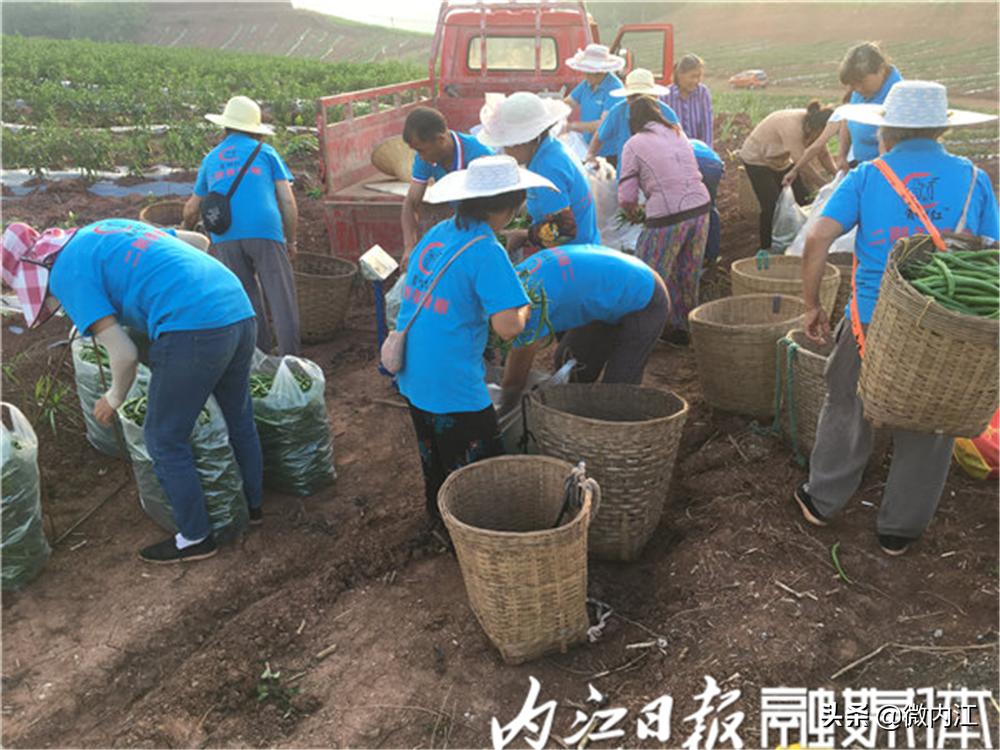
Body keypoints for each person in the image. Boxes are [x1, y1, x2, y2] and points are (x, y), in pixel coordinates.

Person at [793, 81, 999, 557]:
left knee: (848, 401)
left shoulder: (869, 175)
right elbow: (992, 254)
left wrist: (811, 304)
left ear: (887, 131)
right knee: (933, 420)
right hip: (949, 327)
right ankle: (899, 530)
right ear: (941, 130)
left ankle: (823, 501)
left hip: (875, 319)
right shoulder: (974, 179)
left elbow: (817, 237)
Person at [2, 218, 265, 564]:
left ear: (35, 270)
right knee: (238, 414)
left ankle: (195, 537)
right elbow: (199, 242)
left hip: (193, 327)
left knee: (163, 438)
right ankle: (255, 507)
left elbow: (123, 353)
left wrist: (113, 398)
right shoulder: (102, 230)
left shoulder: (65, 274)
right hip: (237, 307)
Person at [394, 155, 552, 521]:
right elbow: (508, 327)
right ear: (510, 207)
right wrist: (524, 307)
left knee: (435, 457)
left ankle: (439, 521)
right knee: (478, 471)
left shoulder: (441, 231)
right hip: (452, 383)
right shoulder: (486, 249)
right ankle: (475, 535)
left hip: (414, 370)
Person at [183, 95, 299, 357]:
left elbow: (191, 208)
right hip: (265, 230)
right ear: (254, 129)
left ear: (226, 126)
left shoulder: (211, 159)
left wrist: (184, 230)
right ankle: (291, 361)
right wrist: (291, 240)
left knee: (246, 298)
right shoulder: (265, 153)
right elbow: (287, 201)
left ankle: (261, 358)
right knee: (281, 298)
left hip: (225, 234)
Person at [499, 244, 669, 409]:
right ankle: (579, 409)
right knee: (572, 362)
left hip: (645, 296)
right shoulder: (511, 280)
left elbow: (514, 383)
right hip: (610, 291)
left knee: (617, 390)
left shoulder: (528, 309)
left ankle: (609, 422)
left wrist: (504, 410)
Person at [619, 96, 711, 343]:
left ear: (634, 120)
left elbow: (626, 197)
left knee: (649, 273)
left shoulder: (634, 144)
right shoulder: (677, 132)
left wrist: (633, 212)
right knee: (688, 270)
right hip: (700, 208)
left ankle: (644, 330)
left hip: (668, 216)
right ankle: (686, 328)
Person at [477, 92, 600, 255]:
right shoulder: (548, 150)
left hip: (574, 255)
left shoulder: (548, 166)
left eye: (508, 145)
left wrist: (523, 235)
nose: (505, 151)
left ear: (525, 141)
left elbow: (564, 230)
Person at [783, 42, 903, 187]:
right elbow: (847, 120)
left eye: (861, 82)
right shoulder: (861, 91)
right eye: (853, 84)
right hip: (861, 168)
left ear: (881, 69)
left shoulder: (898, 96)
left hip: (885, 176)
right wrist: (842, 155)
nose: (857, 89)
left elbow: (894, 149)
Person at [400, 106, 495, 263]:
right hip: (464, 225)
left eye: (421, 150)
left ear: (440, 140)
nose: (420, 157)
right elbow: (411, 202)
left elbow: (496, 209)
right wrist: (409, 247)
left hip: (490, 227)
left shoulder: (479, 154)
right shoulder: (424, 158)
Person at [739, 100, 836, 250]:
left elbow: (823, 154)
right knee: (772, 205)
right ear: (815, 128)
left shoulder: (818, 128)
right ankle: (767, 248)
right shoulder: (792, 126)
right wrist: (824, 184)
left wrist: (838, 175)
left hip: (780, 160)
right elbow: (801, 163)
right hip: (757, 158)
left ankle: (800, 241)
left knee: (804, 198)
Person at [584, 68, 680, 169]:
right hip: (626, 171)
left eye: (643, 97)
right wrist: (590, 155)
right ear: (627, 97)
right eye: (634, 97)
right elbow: (600, 135)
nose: (639, 102)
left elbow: (679, 141)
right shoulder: (618, 111)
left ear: (654, 97)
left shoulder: (666, 113)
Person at [563, 44, 625, 146]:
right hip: (588, 145)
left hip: (608, 150)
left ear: (600, 72)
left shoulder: (615, 89)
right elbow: (568, 102)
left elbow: (604, 124)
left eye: (589, 72)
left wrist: (572, 126)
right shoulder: (586, 84)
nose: (585, 75)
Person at [661, 53, 714, 147]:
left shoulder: (702, 93)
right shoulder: (665, 96)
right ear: (680, 75)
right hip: (672, 148)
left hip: (697, 149)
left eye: (699, 76)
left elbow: (707, 127)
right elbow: (662, 130)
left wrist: (706, 151)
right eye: (692, 76)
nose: (696, 81)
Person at [691, 138, 725, 264]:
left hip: (700, 163)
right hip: (715, 163)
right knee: (710, 207)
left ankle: (700, 254)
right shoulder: (685, 141)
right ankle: (712, 254)